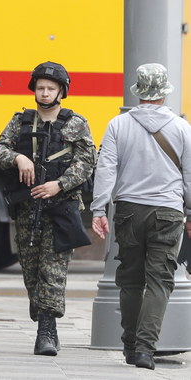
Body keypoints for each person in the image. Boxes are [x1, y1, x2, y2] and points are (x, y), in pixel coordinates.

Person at [0, 61, 96, 356]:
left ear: (61, 91)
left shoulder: (76, 123)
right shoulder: (21, 122)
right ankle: (41, 314)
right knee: (32, 271)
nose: (45, 93)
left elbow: (87, 161)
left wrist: (59, 184)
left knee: (53, 268)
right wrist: (17, 159)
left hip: (61, 208)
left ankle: (46, 331)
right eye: (40, 88)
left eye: (51, 88)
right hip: (27, 208)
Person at [91, 63, 191, 370]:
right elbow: (189, 176)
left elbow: (106, 169)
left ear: (138, 91)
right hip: (168, 212)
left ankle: (131, 347)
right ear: (163, 93)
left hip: (128, 211)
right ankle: (147, 350)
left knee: (130, 281)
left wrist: (98, 208)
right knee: (160, 281)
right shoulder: (182, 128)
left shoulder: (117, 125)